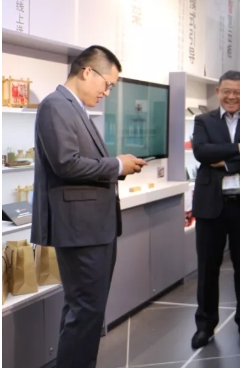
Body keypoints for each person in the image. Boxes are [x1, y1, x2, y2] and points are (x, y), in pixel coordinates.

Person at [31, 46, 148, 368]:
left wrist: (117, 166)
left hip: (93, 227)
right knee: (85, 311)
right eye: (107, 84)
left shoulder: (73, 108)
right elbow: (66, 164)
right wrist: (116, 165)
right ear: (87, 72)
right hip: (80, 228)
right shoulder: (55, 106)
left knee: (86, 311)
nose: (107, 92)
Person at [190, 71, 240, 349]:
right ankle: (205, 325)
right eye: (226, 91)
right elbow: (201, 152)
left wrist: (225, 162)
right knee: (207, 268)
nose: (231, 97)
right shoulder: (203, 120)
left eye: (237, 92)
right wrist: (239, 148)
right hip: (211, 205)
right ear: (218, 92)